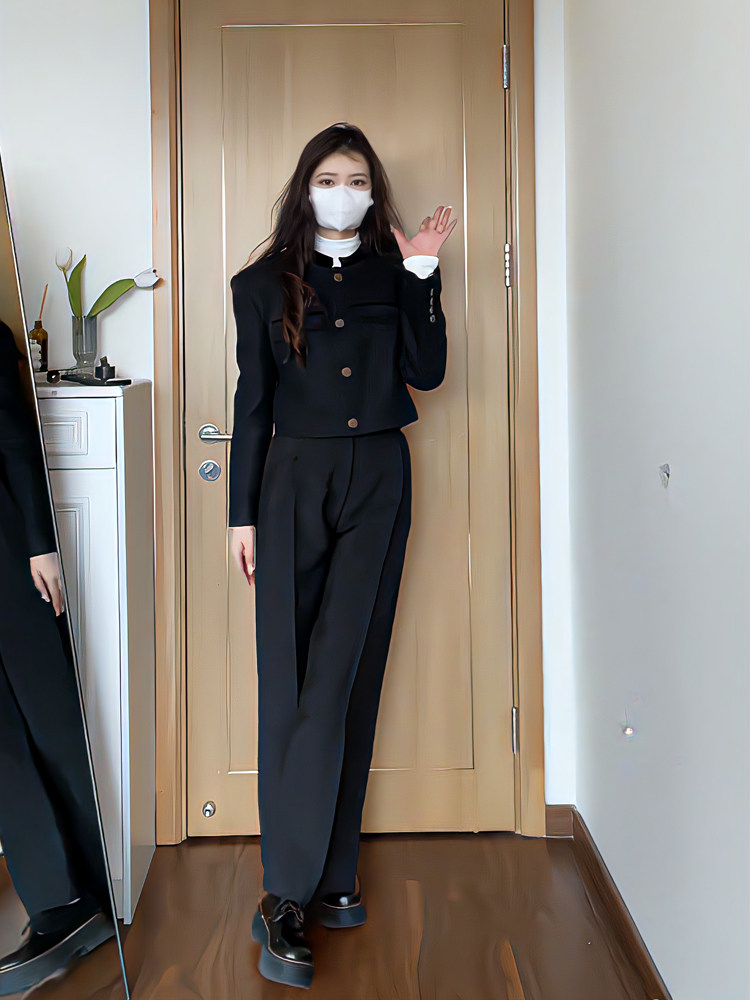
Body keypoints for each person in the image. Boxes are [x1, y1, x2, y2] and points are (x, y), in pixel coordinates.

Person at [228, 122, 456, 990]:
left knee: (349, 674)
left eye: (357, 180)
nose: (344, 192)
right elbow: (253, 404)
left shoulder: (398, 273)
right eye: (329, 178)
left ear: (373, 190)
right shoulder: (259, 284)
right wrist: (241, 516)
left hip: (380, 477)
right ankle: (283, 894)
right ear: (306, 187)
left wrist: (425, 273)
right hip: (293, 479)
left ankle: (332, 873)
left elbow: (427, 374)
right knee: (293, 682)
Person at [0, 319, 114, 996]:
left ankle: (92, 891)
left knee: (51, 719)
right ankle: (58, 904)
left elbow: (14, 439)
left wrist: (42, 545)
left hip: (8, 550)